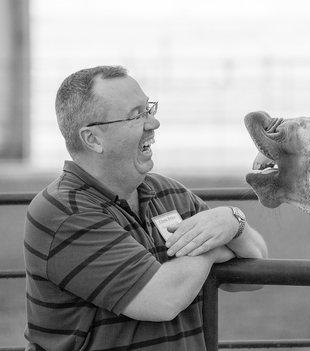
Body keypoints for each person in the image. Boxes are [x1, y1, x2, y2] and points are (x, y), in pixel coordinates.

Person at [23, 65, 268, 351]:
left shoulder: (170, 193)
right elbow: (161, 299)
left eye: (148, 109)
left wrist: (233, 222)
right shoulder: (62, 212)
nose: (153, 123)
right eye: (136, 115)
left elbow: (254, 274)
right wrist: (212, 250)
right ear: (92, 139)